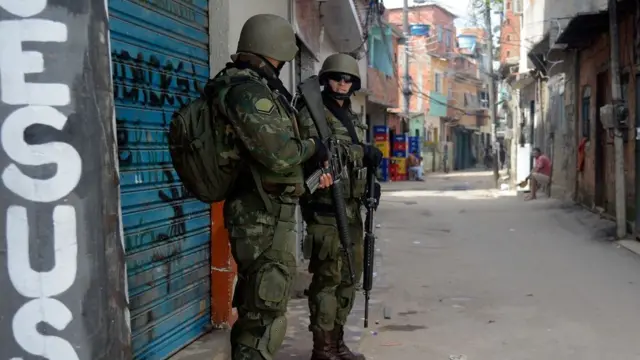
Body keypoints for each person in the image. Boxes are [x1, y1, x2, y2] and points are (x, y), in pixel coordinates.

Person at [214, 14, 333, 360]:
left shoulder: (251, 86)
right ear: (274, 49)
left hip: (266, 211)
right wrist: (313, 148)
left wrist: (308, 180)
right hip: (260, 217)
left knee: (262, 307)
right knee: (264, 315)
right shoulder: (249, 92)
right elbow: (281, 157)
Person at [298, 53, 383, 360]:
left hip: (351, 209)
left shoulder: (351, 116)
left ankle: (337, 343)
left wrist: (370, 181)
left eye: (348, 80)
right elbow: (324, 150)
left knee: (350, 277)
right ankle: (322, 350)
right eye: (336, 78)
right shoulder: (312, 112)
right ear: (325, 80)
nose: (342, 84)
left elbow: (355, 160)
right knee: (327, 280)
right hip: (325, 209)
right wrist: (363, 152)